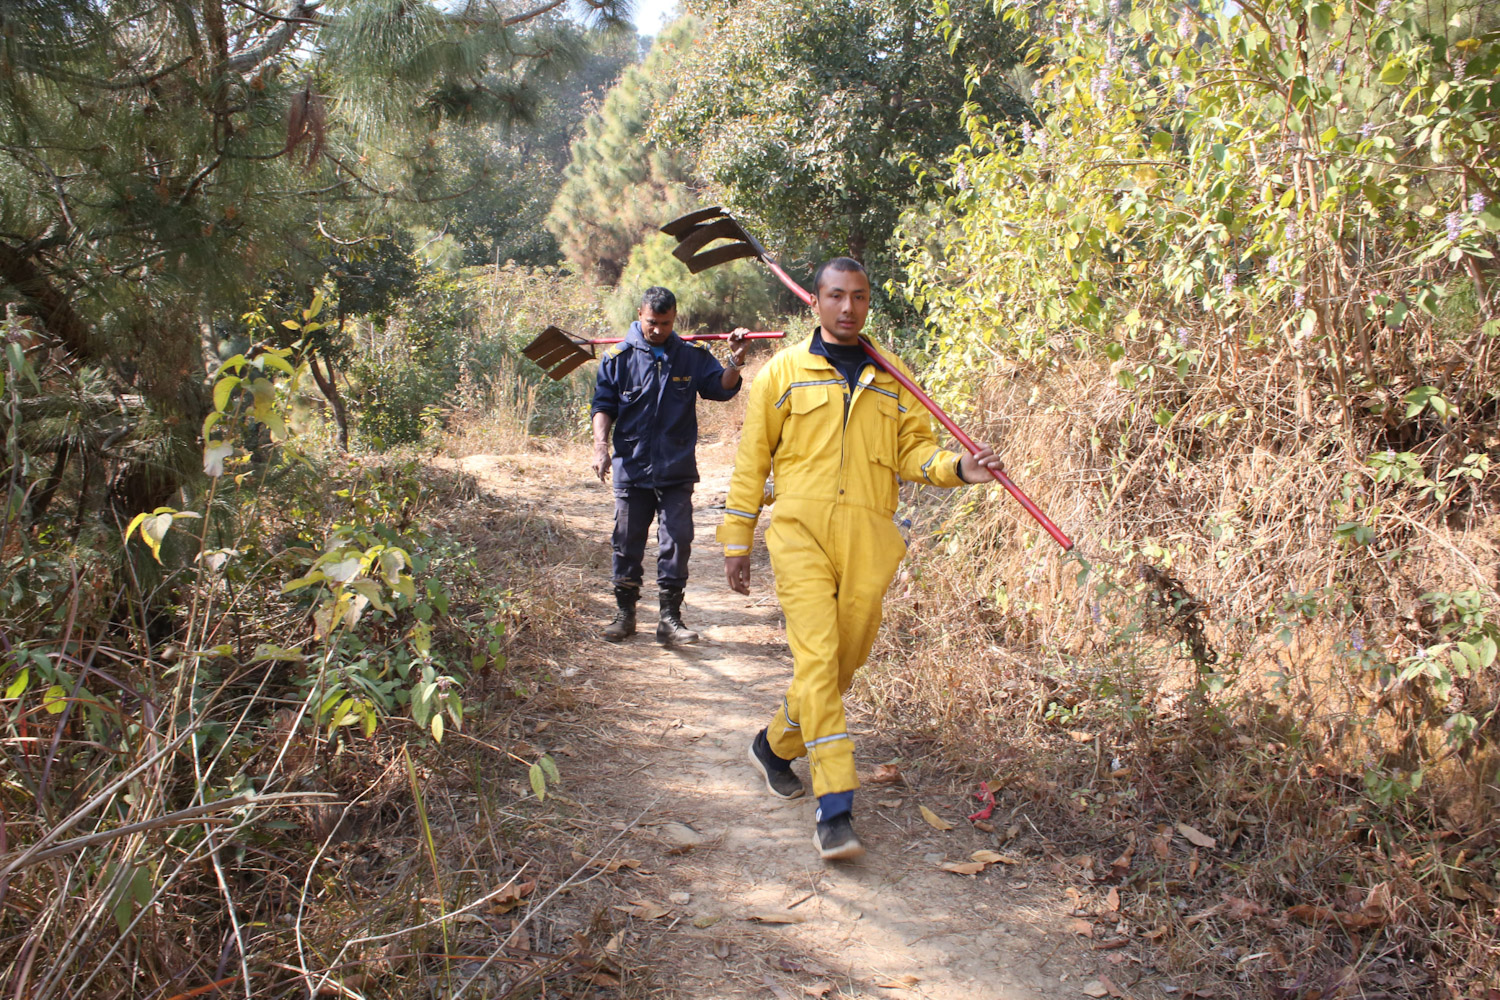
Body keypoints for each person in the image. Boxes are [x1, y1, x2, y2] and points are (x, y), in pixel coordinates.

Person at [717, 258, 1005, 861]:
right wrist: (736, 539)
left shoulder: (895, 376)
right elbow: (752, 462)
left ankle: (773, 746)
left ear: (868, 304)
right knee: (818, 659)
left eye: (858, 297)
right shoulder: (782, 373)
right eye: (835, 296)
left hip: (870, 539)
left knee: (840, 666)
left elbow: (915, 455)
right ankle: (836, 808)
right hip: (799, 530)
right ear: (815, 303)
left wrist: (960, 468)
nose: (847, 308)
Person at [591, 286, 749, 644]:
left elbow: (720, 388)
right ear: (639, 314)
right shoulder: (618, 358)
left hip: (675, 469)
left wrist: (735, 362)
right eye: (651, 323)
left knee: (677, 541)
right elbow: (603, 405)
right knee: (626, 542)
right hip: (632, 468)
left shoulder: (690, 355)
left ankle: (669, 619)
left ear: (674, 318)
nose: (658, 330)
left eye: (665, 323)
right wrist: (601, 446)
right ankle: (625, 614)